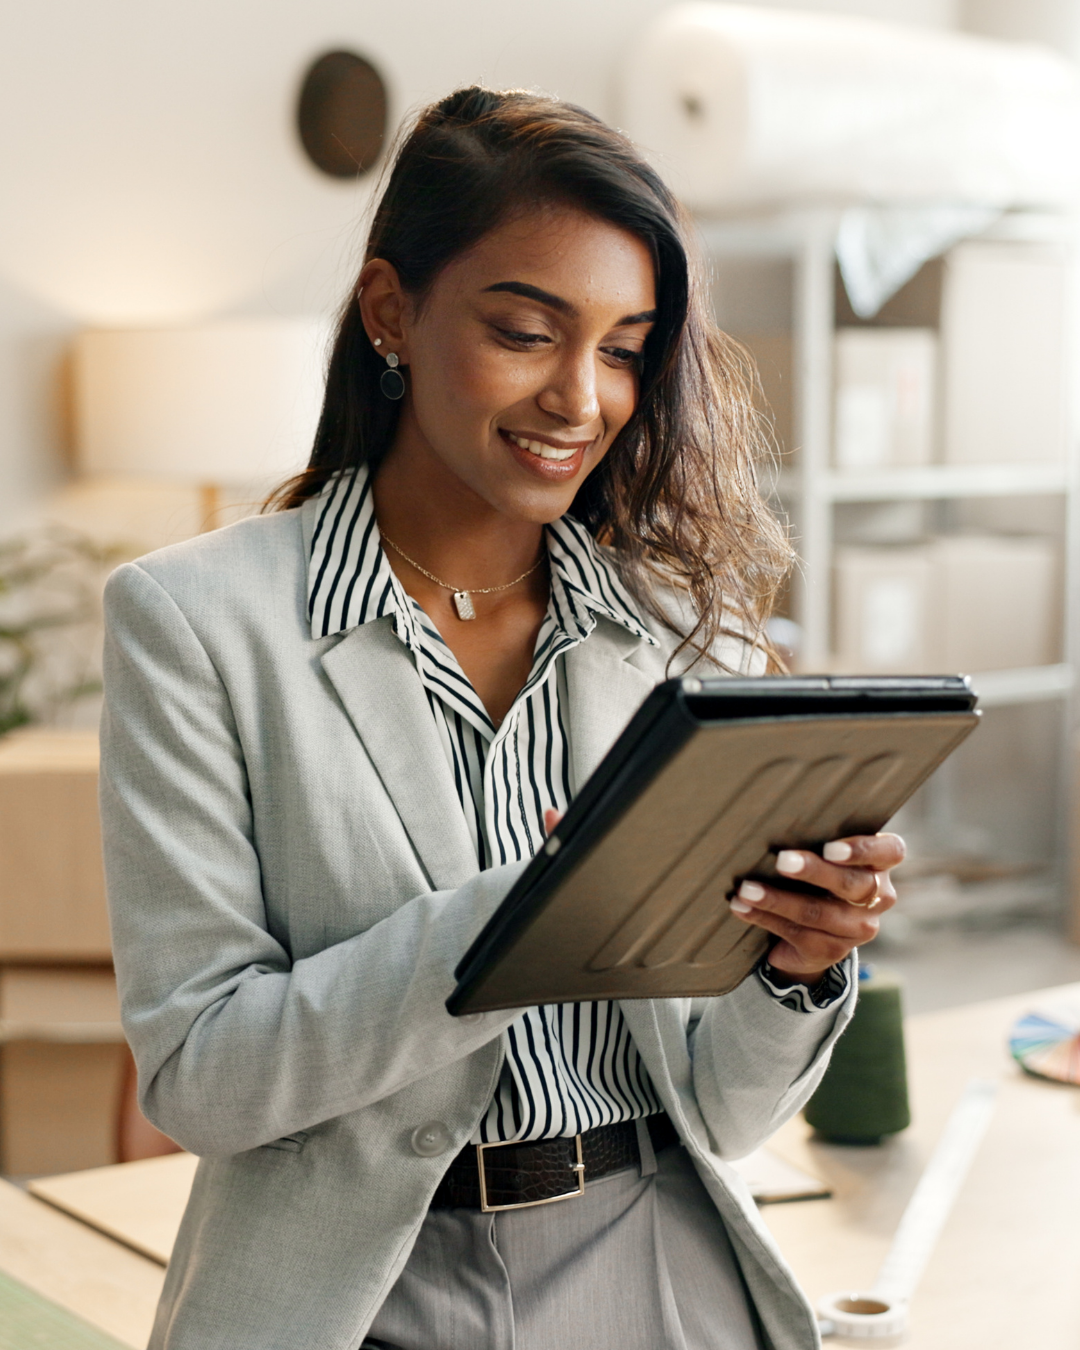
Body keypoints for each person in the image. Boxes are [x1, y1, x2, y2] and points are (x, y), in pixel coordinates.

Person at [99, 87, 902, 1350]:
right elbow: (204, 1077)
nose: (581, 398)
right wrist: (525, 916)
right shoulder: (195, 622)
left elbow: (726, 1114)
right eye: (528, 332)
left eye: (625, 350)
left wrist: (797, 969)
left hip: (658, 1265)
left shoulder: (690, 629)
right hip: (356, 1296)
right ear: (390, 312)